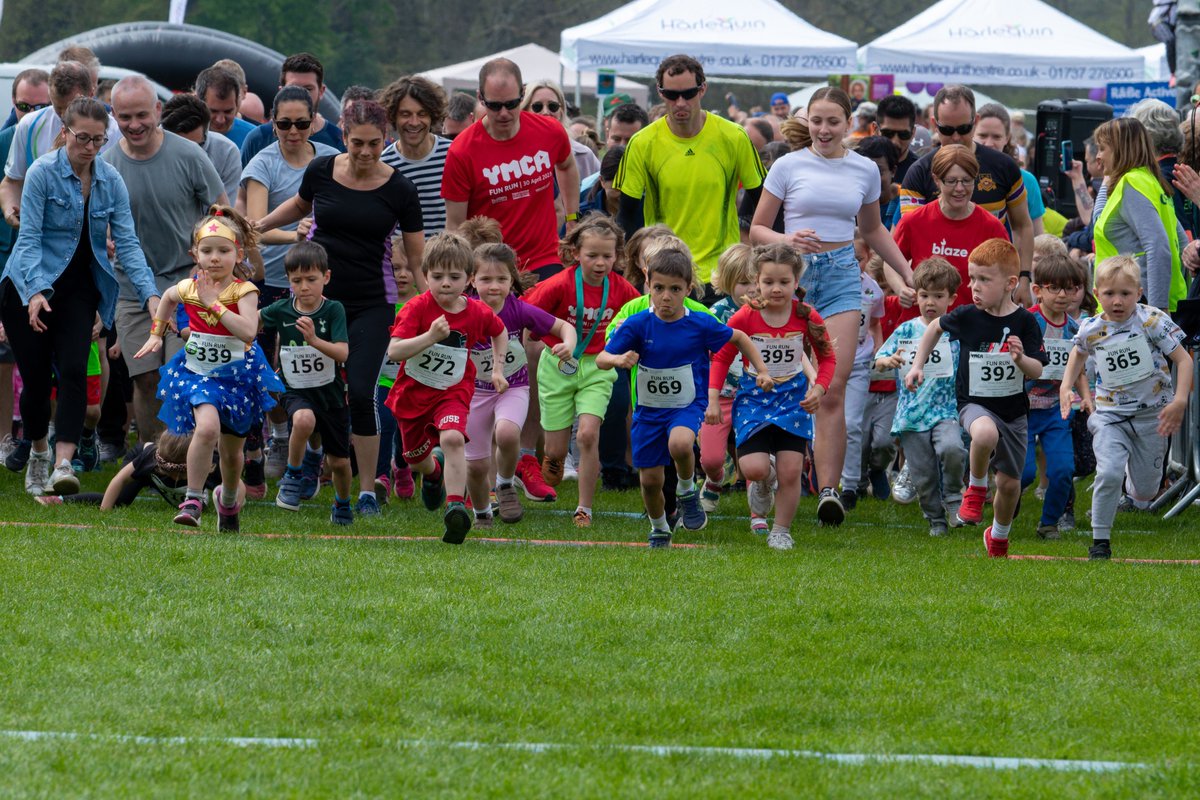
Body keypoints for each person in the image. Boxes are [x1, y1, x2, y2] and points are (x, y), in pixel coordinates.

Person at [749, 86, 913, 527]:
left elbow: (875, 231)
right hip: (792, 274)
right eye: (816, 121)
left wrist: (905, 270)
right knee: (782, 379)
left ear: (849, 126)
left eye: (833, 122)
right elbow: (758, 230)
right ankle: (764, 473)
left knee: (832, 386)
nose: (823, 130)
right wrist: (788, 239)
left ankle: (828, 489)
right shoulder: (787, 164)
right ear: (807, 121)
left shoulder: (864, 170)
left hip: (842, 273)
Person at [254, 99, 426, 515]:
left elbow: (418, 261)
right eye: (356, 144)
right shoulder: (322, 171)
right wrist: (253, 227)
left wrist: (432, 308)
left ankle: (367, 491)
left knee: (362, 392)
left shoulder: (401, 189)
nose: (365, 153)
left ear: (386, 140)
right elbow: (299, 206)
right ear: (343, 138)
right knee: (312, 391)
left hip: (372, 303)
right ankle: (311, 463)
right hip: (319, 302)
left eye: (374, 144)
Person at [0, 97, 160, 496]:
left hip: (80, 291)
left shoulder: (110, 181)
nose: (89, 147)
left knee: (73, 370)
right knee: (36, 380)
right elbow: (30, 238)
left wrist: (151, 298)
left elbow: (127, 243)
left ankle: (63, 462)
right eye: (81, 138)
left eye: (97, 140)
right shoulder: (41, 173)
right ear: (64, 133)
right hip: (26, 285)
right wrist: (35, 292)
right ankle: (38, 452)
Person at [600, 247, 772, 546]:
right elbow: (602, 357)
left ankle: (686, 491)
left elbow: (740, 337)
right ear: (648, 285)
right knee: (650, 481)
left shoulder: (698, 323)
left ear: (688, 289)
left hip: (687, 405)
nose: (666, 297)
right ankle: (659, 528)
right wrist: (618, 360)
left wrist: (761, 370)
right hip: (648, 411)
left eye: (675, 289)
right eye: (659, 288)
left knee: (680, 443)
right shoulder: (637, 324)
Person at [134, 206, 284, 532]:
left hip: (237, 378)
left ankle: (228, 501)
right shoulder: (190, 286)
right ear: (195, 254)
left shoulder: (244, 291)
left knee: (232, 454)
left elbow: (247, 330)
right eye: (207, 250)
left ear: (238, 253)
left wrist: (213, 302)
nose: (215, 258)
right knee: (206, 429)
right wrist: (156, 334)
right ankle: (192, 498)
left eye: (223, 250)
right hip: (199, 374)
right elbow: (168, 298)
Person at [103, 76, 227, 448]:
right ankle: (153, 459)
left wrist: (207, 263)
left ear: (158, 110)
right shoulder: (108, 165)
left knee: (183, 373)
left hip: (187, 283)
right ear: (114, 116)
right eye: (125, 117)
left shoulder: (188, 155)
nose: (135, 124)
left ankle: (189, 460)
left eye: (142, 114)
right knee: (144, 377)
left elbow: (221, 213)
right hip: (132, 289)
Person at [906, 239, 1047, 558]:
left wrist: (1021, 360)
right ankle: (976, 488)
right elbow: (933, 329)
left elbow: (1038, 370)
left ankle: (997, 536)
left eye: (984, 279)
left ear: (1011, 283)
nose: (974, 287)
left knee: (1011, 486)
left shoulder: (1025, 322)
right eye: (972, 279)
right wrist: (918, 365)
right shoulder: (968, 315)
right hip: (973, 404)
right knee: (984, 433)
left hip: (1013, 413)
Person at [1060, 255, 1191, 560]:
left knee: (1144, 493)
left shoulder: (1152, 321)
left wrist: (1180, 400)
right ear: (1096, 292)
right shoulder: (1090, 328)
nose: (1117, 301)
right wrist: (1066, 386)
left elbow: (1183, 360)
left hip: (1152, 417)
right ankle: (1100, 542)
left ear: (1139, 292)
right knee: (1107, 472)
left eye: (1125, 294)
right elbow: (1077, 354)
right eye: (1109, 294)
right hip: (1111, 416)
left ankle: (1134, 479)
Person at [708, 243, 836, 550]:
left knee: (791, 471)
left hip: (794, 401)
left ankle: (781, 530)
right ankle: (764, 482)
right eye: (768, 282)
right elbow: (722, 357)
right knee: (754, 469)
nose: (776, 289)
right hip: (754, 400)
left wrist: (819, 389)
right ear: (756, 280)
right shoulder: (744, 317)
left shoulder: (807, 316)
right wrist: (713, 398)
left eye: (784, 282)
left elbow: (827, 357)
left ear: (796, 281)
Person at [384, 232, 508, 544]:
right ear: (424, 276)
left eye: (454, 277)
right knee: (415, 459)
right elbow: (395, 351)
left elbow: (500, 330)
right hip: (413, 393)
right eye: (437, 276)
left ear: (468, 279)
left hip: (452, 390)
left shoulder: (477, 311)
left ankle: (455, 507)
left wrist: (496, 367)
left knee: (453, 437)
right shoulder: (416, 308)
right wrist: (429, 337)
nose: (445, 284)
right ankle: (434, 473)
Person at [524, 214, 641, 527]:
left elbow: (643, 315)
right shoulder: (559, 284)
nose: (600, 263)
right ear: (576, 253)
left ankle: (584, 509)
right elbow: (527, 312)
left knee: (588, 435)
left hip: (599, 366)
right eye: (592, 256)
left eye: (608, 256)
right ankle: (554, 458)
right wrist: (547, 340)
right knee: (555, 449)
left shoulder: (622, 289)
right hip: (557, 365)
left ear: (617, 256)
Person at [616, 54, 765, 288]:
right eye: (672, 95)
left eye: (689, 93)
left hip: (720, 274)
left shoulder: (734, 136)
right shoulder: (642, 142)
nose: (681, 102)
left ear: (702, 89)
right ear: (660, 92)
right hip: (665, 273)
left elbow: (763, 198)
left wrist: (765, 255)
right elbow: (627, 215)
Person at [466, 243, 576, 528]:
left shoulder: (519, 310)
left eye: (502, 279)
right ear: (471, 280)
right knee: (476, 465)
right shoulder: (463, 310)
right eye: (486, 279)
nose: (494, 287)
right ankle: (481, 512)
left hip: (512, 388)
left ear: (512, 281)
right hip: (474, 392)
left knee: (506, 432)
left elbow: (564, 327)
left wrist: (569, 344)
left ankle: (504, 484)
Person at [442, 58, 580, 279]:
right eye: (495, 106)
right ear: (480, 98)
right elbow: (455, 224)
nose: (504, 113)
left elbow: (567, 165)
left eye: (511, 104)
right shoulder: (461, 151)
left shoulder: (550, 131)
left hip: (544, 259)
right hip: (491, 266)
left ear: (523, 93)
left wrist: (573, 218)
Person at [899, 85, 1034, 306]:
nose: (955, 137)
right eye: (946, 129)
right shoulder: (918, 172)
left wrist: (1024, 278)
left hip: (987, 294)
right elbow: (911, 236)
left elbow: (1023, 226)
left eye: (963, 128)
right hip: (936, 299)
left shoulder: (1004, 167)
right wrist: (901, 286)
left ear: (975, 121)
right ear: (934, 124)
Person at [259, 241, 354, 524]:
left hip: (331, 395)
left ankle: (342, 503)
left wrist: (314, 340)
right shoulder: (282, 310)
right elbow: (251, 322)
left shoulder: (333, 310)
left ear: (326, 277)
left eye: (311, 279)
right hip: (295, 390)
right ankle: (293, 475)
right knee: (302, 420)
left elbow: (342, 352)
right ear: (288, 281)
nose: (304, 287)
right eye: (296, 280)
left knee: (339, 463)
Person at [874, 257, 965, 536]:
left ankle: (952, 496)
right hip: (913, 413)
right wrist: (887, 361)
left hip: (946, 409)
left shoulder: (957, 330)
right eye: (924, 295)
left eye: (938, 296)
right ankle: (935, 519)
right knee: (923, 475)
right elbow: (879, 359)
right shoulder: (906, 329)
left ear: (951, 298)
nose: (930, 302)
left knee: (953, 449)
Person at [1, 61, 122, 228]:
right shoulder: (29, 125)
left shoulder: (114, 130)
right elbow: (11, 182)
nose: (66, 115)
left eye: (73, 106)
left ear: (92, 93)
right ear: (50, 95)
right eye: (58, 108)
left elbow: (119, 197)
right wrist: (10, 211)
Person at [0, 68, 50, 463]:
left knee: (28, 359)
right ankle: (6, 435)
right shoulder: (5, 143)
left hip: (39, 269)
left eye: (40, 106)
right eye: (22, 106)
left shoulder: (68, 148)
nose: (29, 112)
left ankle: (32, 438)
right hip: (6, 262)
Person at [892, 145, 1010, 310]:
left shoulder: (992, 228)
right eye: (951, 181)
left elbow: (1006, 277)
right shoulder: (914, 221)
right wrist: (901, 288)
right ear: (936, 180)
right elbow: (890, 262)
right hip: (921, 323)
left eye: (967, 180)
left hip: (970, 325)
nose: (960, 188)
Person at [1093, 117, 1187, 313]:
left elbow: (1159, 247)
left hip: (1135, 310)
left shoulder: (1132, 184)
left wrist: (1157, 313)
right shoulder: (1149, 181)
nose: (1098, 156)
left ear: (1120, 149)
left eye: (1102, 148)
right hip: (1139, 305)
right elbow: (1180, 241)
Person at [1020, 252, 1082, 541]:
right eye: (1054, 288)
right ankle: (1008, 499)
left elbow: (1080, 368)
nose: (1062, 295)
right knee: (1024, 473)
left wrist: (1085, 398)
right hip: (1021, 408)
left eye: (1070, 288)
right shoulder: (1025, 321)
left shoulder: (1076, 330)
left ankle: (1049, 523)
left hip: (1057, 410)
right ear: (1038, 290)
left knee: (1062, 469)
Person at [698, 243, 756, 517]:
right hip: (719, 395)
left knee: (755, 461)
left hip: (754, 395)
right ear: (729, 282)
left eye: (757, 282)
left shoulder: (768, 312)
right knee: (710, 458)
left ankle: (758, 513)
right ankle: (714, 478)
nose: (752, 289)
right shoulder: (717, 314)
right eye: (744, 283)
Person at [34, 431, 210, 509]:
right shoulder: (149, 461)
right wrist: (104, 516)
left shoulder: (209, 466)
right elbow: (118, 480)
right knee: (120, 500)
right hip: (140, 457)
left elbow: (235, 485)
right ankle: (59, 499)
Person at [240, 53, 346, 166]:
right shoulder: (258, 139)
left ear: (321, 91)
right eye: (294, 88)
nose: (300, 94)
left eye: (308, 89)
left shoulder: (338, 141)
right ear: (281, 91)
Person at [379, 76, 451, 237]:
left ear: (432, 116)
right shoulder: (384, 164)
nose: (414, 122)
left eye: (422, 114)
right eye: (405, 114)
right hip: (401, 259)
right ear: (393, 117)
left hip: (446, 257)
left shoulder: (453, 155)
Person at [974, 103, 1046, 237]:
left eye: (996, 137)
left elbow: (1038, 238)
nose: (989, 143)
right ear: (972, 134)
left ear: (1006, 138)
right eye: (983, 136)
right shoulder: (959, 178)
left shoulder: (1026, 181)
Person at [160, 93, 242, 200]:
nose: (190, 156)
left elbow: (224, 213)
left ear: (206, 131)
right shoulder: (144, 149)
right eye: (181, 148)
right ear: (162, 134)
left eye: (197, 147)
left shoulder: (226, 152)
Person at [521, 80, 601, 179]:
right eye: (537, 107)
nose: (546, 112)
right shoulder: (514, 158)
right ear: (525, 111)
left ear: (562, 111)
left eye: (553, 106)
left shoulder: (584, 155)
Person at [195, 66, 256, 148]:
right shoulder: (181, 133)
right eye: (213, 111)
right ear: (197, 102)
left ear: (237, 104)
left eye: (228, 111)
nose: (220, 120)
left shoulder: (254, 139)